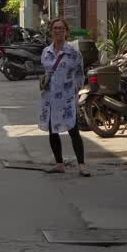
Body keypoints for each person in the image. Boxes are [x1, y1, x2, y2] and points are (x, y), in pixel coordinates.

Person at [38, 18, 89, 177]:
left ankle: (82, 165)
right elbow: (46, 71)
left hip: (67, 98)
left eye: (61, 28)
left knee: (73, 130)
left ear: (66, 31)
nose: (58, 31)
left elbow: (80, 74)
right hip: (50, 98)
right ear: (51, 31)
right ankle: (59, 163)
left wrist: (76, 90)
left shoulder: (73, 52)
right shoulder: (46, 51)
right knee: (53, 131)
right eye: (55, 28)